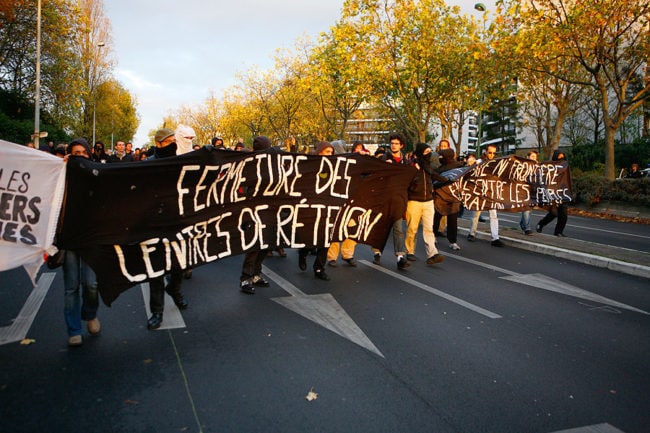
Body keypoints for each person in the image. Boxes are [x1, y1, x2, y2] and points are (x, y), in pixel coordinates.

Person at [146, 128, 188, 330]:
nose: (173, 144)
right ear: (160, 143)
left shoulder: (181, 162)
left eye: (175, 141)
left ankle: (174, 289)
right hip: (154, 224)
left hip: (177, 223)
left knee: (179, 266)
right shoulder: (147, 165)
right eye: (170, 141)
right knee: (156, 270)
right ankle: (157, 312)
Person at [61, 138, 100, 346]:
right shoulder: (60, 177)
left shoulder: (96, 175)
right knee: (71, 287)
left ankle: (90, 314)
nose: (80, 157)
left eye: (83, 153)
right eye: (75, 153)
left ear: (89, 155)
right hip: (68, 239)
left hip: (90, 238)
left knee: (91, 284)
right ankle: (74, 329)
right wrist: (60, 169)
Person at [239, 136, 276, 293]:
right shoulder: (250, 165)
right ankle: (245, 279)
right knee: (254, 246)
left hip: (269, 211)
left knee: (265, 245)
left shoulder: (272, 165)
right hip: (254, 211)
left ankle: (256, 275)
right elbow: (244, 187)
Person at [371, 133, 411, 269]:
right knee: (381, 227)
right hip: (385, 199)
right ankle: (377, 252)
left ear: (401, 146)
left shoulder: (406, 161)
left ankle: (400, 257)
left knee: (398, 229)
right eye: (392, 143)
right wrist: (384, 166)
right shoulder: (384, 158)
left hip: (399, 200)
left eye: (396, 143)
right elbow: (377, 176)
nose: (393, 145)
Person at [298, 141, 335, 280]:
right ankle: (304, 252)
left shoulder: (334, 167)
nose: (330, 155)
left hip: (328, 208)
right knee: (311, 237)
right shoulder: (310, 166)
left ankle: (319, 268)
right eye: (327, 152)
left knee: (326, 239)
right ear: (320, 153)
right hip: (311, 208)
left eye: (331, 152)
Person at [404, 143, 446, 265]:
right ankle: (410, 251)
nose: (430, 154)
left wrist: (448, 180)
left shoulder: (430, 166)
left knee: (429, 229)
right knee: (412, 229)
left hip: (428, 201)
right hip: (414, 201)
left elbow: (435, 176)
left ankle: (432, 254)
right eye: (427, 152)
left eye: (430, 151)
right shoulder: (412, 165)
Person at [467, 144, 505, 247]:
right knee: (476, 214)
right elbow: (471, 172)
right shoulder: (479, 162)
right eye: (490, 152)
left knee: (494, 215)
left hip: (491, 193)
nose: (492, 155)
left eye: (494, 153)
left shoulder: (497, 164)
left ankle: (495, 238)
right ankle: (472, 233)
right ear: (485, 152)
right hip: (480, 192)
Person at [433, 148, 463, 250]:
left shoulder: (439, 170)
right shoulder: (461, 167)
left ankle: (434, 236)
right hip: (448, 197)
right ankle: (452, 241)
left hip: (445, 198)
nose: (440, 159)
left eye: (441, 157)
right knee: (451, 220)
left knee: (439, 219)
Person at [536, 150, 569, 237]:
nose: (561, 158)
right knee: (554, 213)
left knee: (563, 215)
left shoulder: (565, 167)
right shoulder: (550, 167)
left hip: (562, 193)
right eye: (559, 157)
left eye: (563, 156)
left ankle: (558, 231)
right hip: (552, 193)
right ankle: (541, 224)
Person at [519, 150, 538, 235]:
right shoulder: (523, 166)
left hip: (533, 191)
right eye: (532, 156)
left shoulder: (538, 166)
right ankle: (527, 228)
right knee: (526, 209)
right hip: (524, 190)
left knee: (529, 210)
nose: (534, 158)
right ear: (528, 157)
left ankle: (523, 224)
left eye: (535, 156)